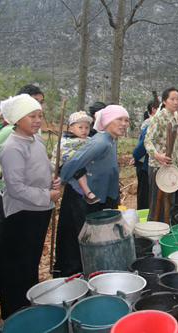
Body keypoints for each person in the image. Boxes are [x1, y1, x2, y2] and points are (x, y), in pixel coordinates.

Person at [0, 94, 61, 318]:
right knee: (16, 265)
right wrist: (47, 195)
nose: (37, 120)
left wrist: (53, 182)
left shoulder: (36, 140)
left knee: (30, 261)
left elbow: (40, 171)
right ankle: (14, 312)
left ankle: (29, 302)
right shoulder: (12, 148)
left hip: (39, 211)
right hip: (21, 214)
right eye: (32, 116)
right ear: (17, 119)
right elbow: (16, 189)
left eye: (40, 116)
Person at [54, 105, 129, 277]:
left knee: (85, 237)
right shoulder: (100, 142)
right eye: (119, 119)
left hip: (95, 198)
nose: (124, 124)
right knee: (77, 238)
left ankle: (84, 273)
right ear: (108, 120)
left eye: (126, 120)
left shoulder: (110, 140)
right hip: (80, 198)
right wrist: (62, 180)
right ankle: (72, 276)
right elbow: (73, 163)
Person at [144, 88, 178, 221]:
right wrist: (158, 155)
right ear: (165, 101)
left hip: (172, 167)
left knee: (168, 202)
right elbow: (148, 141)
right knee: (156, 204)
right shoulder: (159, 117)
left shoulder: (175, 117)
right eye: (172, 99)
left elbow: (177, 147)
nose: (176, 102)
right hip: (158, 167)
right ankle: (153, 232)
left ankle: (165, 228)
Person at [51, 111, 99, 204]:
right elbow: (65, 155)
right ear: (71, 128)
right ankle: (87, 192)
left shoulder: (88, 140)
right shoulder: (67, 141)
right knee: (79, 169)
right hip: (64, 165)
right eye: (80, 127)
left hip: (78, 163)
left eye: (87, 127)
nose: (84, 130)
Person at [133, 95, 160, 210]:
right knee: (144, 194)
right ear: (154, 109)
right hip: (145, 163)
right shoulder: (151, 123)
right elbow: (143, 145)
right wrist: (135, 156)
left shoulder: (151, 121)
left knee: (146, 193)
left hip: (147, 162)